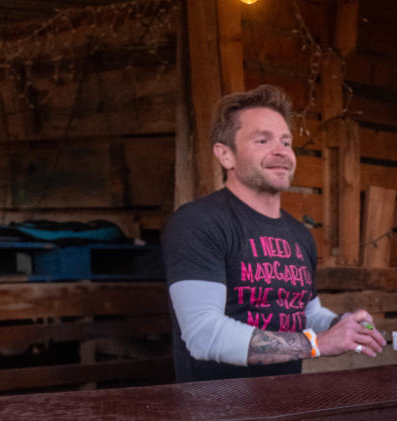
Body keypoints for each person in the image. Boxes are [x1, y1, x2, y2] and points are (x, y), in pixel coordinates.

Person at [164, 84, 384, 382]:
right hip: (217, 415)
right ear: (225, 155)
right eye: (262, 140)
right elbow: (203, 334)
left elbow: (304, 312)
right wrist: (318, 343)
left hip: (285, 409)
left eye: (286, 141)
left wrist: (341, 324)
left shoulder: (299, 235)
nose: (280, 151)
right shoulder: (198, 222)